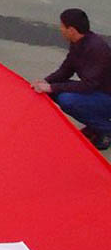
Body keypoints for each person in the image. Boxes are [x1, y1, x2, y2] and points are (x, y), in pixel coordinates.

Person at [32, 9, 111, 150]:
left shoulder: (97, 49)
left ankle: (105, 129)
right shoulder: (77, 43)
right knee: (53, 90)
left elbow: (89, 85)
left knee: (67, 100)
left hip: (106, 95)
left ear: (72, 30)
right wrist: (46, 82)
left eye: (62, 26)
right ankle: (95, 124)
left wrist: (52, 87)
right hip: (97, 91)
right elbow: (66, 69)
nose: (60, 29)